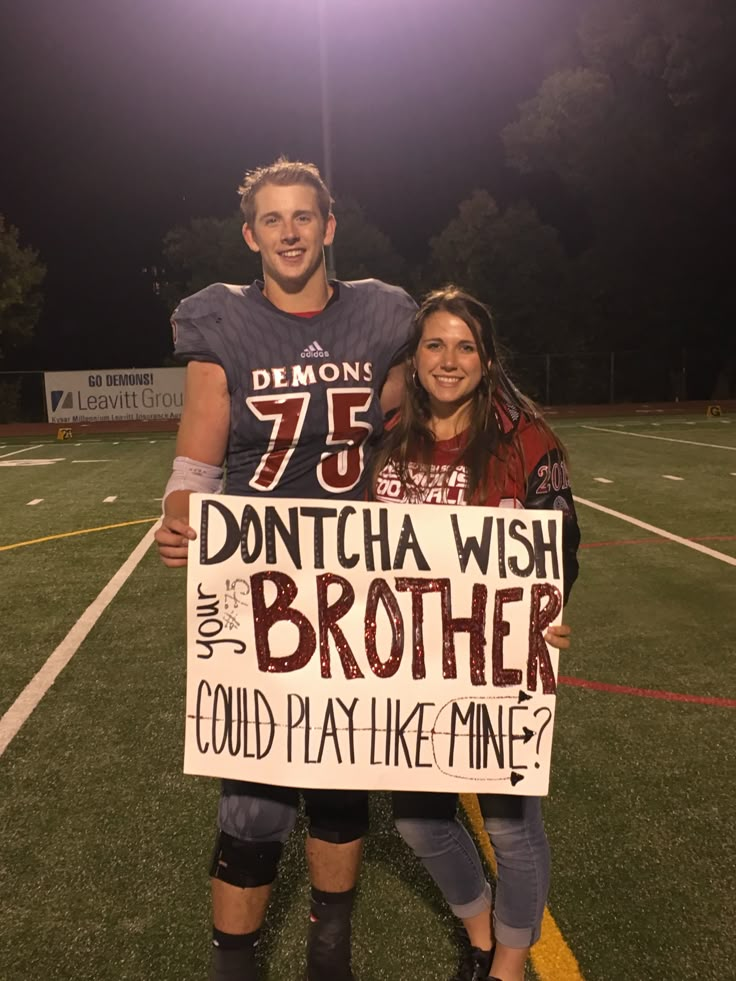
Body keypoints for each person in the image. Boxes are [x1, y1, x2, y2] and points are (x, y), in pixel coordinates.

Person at [154, 158, 416, 981]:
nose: (291, 231)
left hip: (354, 583)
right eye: (274, 219)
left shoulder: (381, 315)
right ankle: (234, 966)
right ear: (251, 235)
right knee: (255, 796)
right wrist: (179, 517)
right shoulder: (221, 322)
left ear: (329, 227)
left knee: (341, 775)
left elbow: (408, 448)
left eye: (305, 216)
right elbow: (198, 461)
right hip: (257, 585)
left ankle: (326, 955)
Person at [372, 285, 580, 981]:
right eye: (434, 343)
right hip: (409, 663)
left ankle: (508, 968)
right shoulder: (385, 437)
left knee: (511, 827)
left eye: (466, 345)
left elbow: (561, 543)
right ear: (415, 355)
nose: (449, 358)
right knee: (418, 821)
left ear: (488, 361)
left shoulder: (528, 441)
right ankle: (483, 934)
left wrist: (550, 607)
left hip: (497, 660)